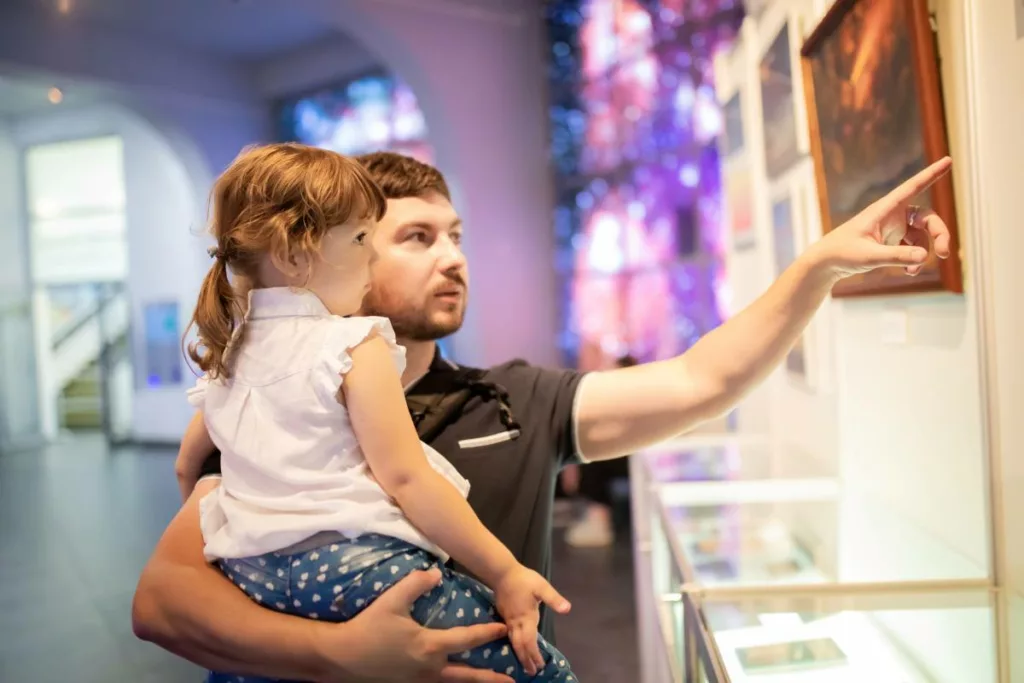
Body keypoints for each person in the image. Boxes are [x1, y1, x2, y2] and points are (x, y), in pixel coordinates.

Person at [132, 150, 954, 683]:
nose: (453, 255)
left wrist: (814, 268)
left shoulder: (514, 398)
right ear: (326, 251)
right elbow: (164, 606)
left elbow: (703, 379)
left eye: (455, 234)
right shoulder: (269, 402)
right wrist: (344, 656)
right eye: (414, 236)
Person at [172, 142, 579, 683]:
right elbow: (407, 477)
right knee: (539, 669)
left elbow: (188, 468)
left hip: (253, 575)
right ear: (295, 254)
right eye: (363, 238)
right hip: (356, 568)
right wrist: (506, 572)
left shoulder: (233, 351)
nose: (371, 256)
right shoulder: (353, 343)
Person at [563, 355, 636, 548]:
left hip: (637, 458)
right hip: (628, 455)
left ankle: (598, 517)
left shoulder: (635, 401)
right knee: (588, 455)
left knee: (593, 458)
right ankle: (596, 515)